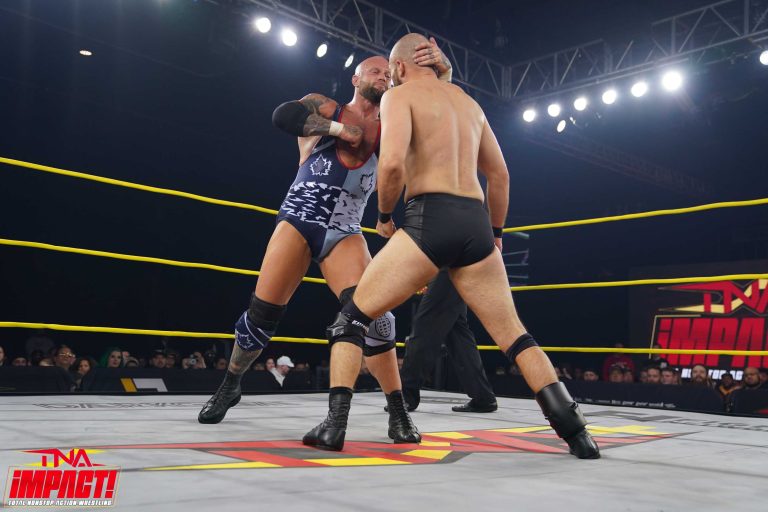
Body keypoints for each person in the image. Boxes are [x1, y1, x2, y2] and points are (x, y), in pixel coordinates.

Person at [303, 33, 599, 459]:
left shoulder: (399, 96)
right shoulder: (470, 104)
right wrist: (496, 234)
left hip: (430, 218)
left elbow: (391, 165)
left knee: (350, 320)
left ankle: (334, 427)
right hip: (476, 223)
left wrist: (384, 217)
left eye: (391, 71)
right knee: (516, 337)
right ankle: (577, 433)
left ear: (399, 68)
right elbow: (500, 176)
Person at [198, 40, 452, 447]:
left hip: (346, 232)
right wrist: (340, 131)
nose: (382, 76)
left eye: (387, 72)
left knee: (375, 316)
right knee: (262, 315)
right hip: (299, 220)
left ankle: (398, 411)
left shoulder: (393, 128)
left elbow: (441, 111)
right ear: (355, 78)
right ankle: (230, 384)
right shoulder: (327, 108)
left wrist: (444, 71)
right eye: (374, 71)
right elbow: (283, 115)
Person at [396, 270, 497, 413]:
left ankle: (406, 397)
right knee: (457, 335)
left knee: (424, 328)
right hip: (461, 267)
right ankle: (483, 397)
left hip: (449, 266)